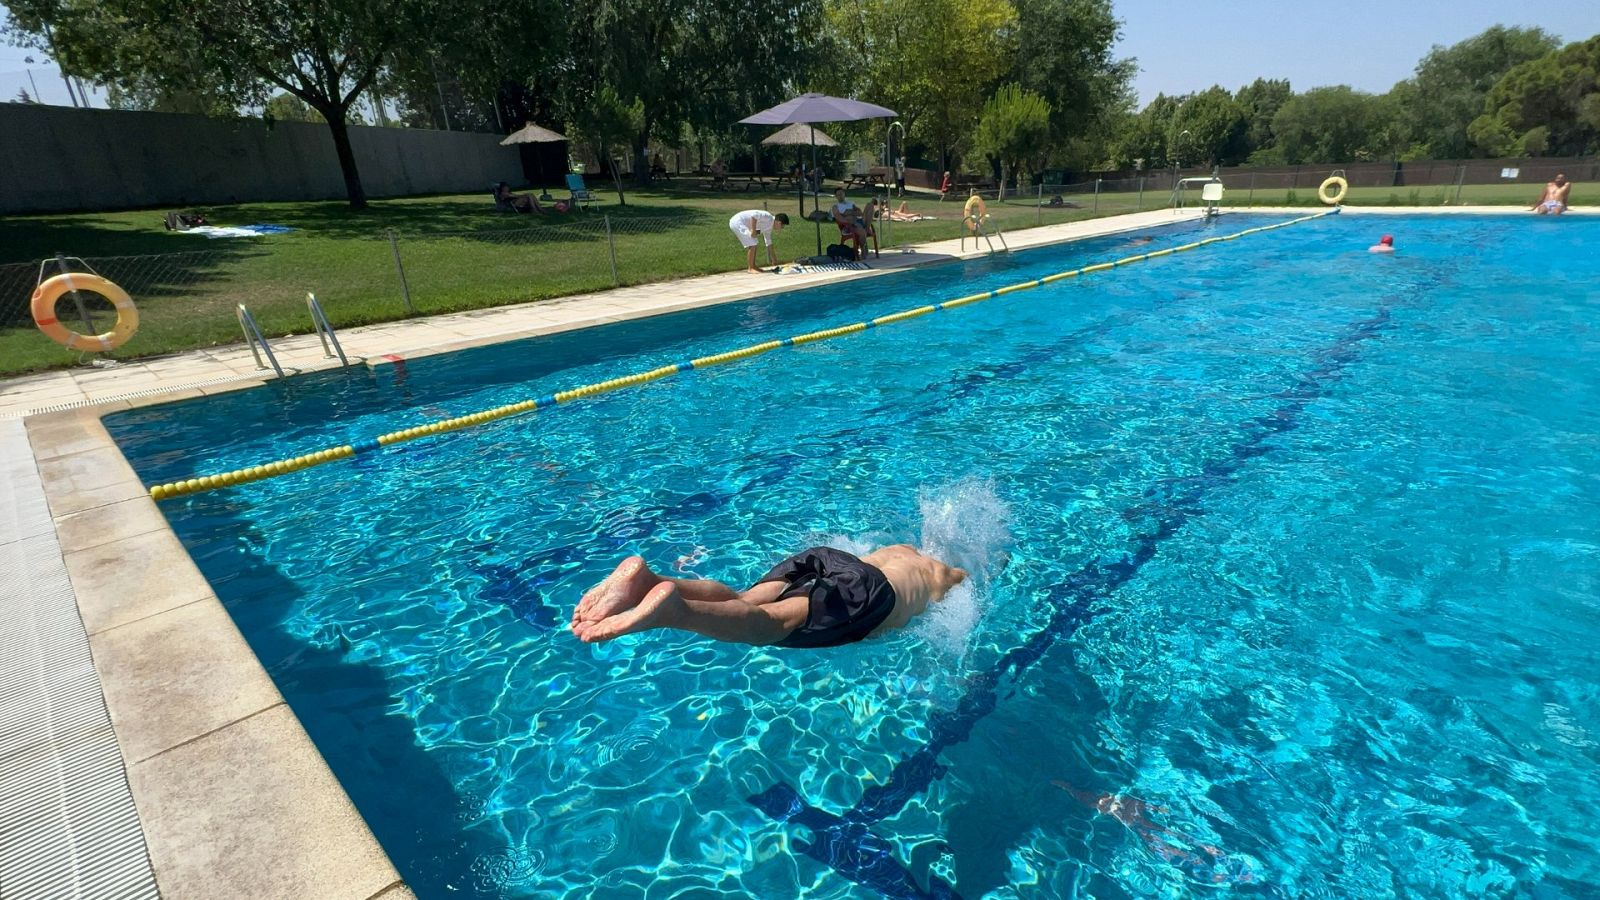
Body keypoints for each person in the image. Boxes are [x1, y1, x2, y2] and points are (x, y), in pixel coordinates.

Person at [571, 545, 967, 647]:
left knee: (745, 598)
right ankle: (678, 612)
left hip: (826, 559)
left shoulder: (900, 551)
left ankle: (648, 581)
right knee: (779, 622)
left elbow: (857, 564)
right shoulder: (943, 578)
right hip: (870, 594)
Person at [728, 209, 788, 273]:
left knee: (754, 242)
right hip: (738, 222)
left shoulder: (769, 228)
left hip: (742, 224)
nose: (781, 229)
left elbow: (768, 243)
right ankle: (751, 268)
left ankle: (753, 266)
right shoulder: (768, 217)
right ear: (779, 222)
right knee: (753, 243)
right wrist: (754, 230)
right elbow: (754, 215)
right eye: (782, 226)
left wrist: (774, 259)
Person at [831, 188, 878, 258]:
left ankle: (867, 228)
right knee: (862, 231)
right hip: (849, 225)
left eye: (841, 194)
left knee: (870, 205)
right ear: (836, 196)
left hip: (858, 221)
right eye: (838, 195)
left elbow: (860, 213)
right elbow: (838, 217)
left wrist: (849, 212)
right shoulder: (835, 206)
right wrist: (849, 219)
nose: (840, 196)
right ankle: (863, 248)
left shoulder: (851, 203)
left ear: (844, 194)